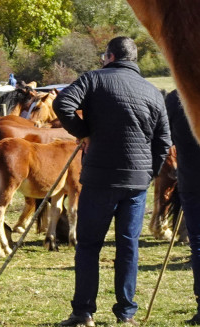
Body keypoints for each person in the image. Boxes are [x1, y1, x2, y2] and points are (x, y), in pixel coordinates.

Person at [53, 37, 171, 327]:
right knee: (128, 247)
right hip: (136, 183)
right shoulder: (153, 91)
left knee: (89, 246)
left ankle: (83, 313)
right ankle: (127, 314)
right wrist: (148, 174)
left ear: (109, 56)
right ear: (133, 60)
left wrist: (83, 133)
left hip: (100, 178)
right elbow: (164, 141)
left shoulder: (94, 79)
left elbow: (62, 103)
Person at [166, 90, 200, 324]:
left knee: (198, 244)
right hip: (190, 181)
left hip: (192, 179)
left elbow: (163, 136)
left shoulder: (177, 98)